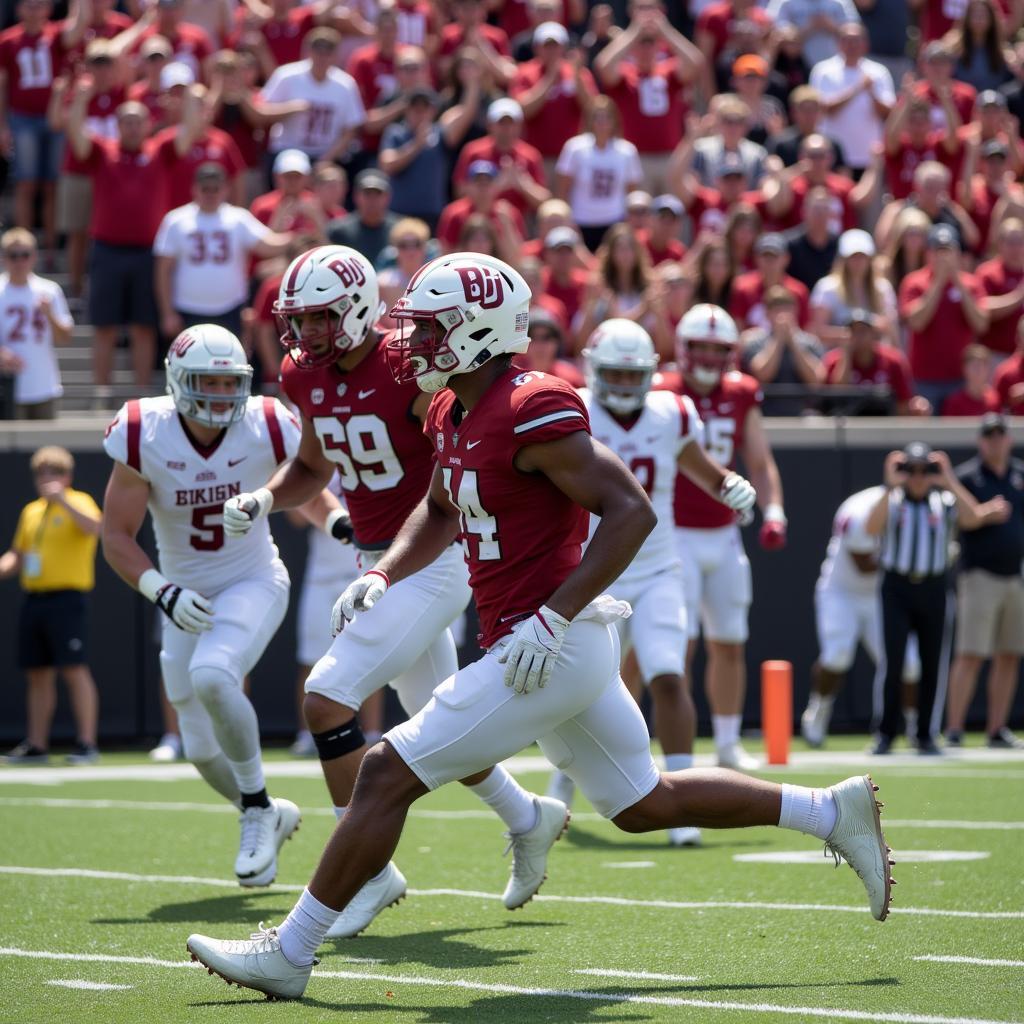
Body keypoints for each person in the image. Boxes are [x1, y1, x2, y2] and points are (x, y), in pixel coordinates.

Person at [186, 252, 894, 1001]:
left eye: (430, 330)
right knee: (644, 804)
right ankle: (829, 810)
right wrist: (381, 573)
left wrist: (553, 619)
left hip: (551, 643)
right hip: (536, 640)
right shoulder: (446, 406)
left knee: (387, 771)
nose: (414, 344)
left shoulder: (533, 406)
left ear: (479, 330)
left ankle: (290, 951)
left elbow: (632, 513)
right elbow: (438, 509)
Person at [223, 244, 558, 937]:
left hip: (431, 560)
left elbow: (454, 465)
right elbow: (314, 465)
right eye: (299, 320)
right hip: (377, 562)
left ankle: (369, 874)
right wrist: (265, 497)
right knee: (435, 723)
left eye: (320, 319)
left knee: (324, 698)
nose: (306, 334)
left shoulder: (410, 366)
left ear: (354, 311)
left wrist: (395, 561)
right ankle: (529, 815)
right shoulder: (301, 375)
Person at [101, 324, 313, 886]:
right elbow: (116, 535)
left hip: (252, 578)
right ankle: (261, 809)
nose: (221, 394)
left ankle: (258, 807)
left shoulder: (267, 422)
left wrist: (338, 521)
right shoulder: (145, 431)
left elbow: (305, 484)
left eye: (229, 382)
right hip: (182, 595)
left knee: (214, 675)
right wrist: (161, 591)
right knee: (198, 747)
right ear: (177, 381)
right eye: (207, 382)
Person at [547, 318, 758, 847]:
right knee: (579, 691)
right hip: (593, 570)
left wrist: (728, 485)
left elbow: (700, 467)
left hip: (659, 565)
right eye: (612, 372)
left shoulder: (671, 411)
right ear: (596, 369)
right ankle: (561, 787)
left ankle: (682, 798)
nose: (621, 383)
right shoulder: (574, 408)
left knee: (668, 674)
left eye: (630, 373)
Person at [658, 304, 788, 770]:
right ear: (683, 349)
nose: (711, 358)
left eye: (719, 349)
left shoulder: (742, 393)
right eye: (702, 348)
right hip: (675, 534)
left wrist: (774, 510)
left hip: (725, 533)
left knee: (730, 640)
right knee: (682, 645)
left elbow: (759, 461)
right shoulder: (663, 392)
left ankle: (728, 742)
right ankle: (678, 747)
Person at [865, 441, 1009, 754]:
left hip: (933, 587)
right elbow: (870, 526)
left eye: (924, 470)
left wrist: (948, 479)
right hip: (897, 587)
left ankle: (925, 733)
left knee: (933, 663)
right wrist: (890, 483)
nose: (917, 477)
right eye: (911, 469)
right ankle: (886, 733)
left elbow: (972, 518)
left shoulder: (944, 501)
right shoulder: (892, 500)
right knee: (894, 661)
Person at [0, 445, 102, 765]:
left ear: (67, 476)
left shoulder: (79, 501)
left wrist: (62, 500)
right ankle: (37, 744)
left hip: (67, 599)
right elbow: (17, 554)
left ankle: (87, 743)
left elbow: (96, 528)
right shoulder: (31, 511)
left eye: (54, 473)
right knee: (37, 673)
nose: (47, 479)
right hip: (35, 598)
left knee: (74, 668)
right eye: (42, 473)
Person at [801, 484, 921, 749]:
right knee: (837, 655)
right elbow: (863, 564)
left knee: (909, 664)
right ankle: (818, 709)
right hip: (841, 593)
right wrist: (911, 559)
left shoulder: (924, 508)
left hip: (881, 597)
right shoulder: (859, 510)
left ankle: (916, 725)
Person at [945, 414, 1024, 749]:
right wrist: (985, 513)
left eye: (1000, 435)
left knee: (1009, 654)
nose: (995, 441)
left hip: (1014, 577)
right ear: (981, 441)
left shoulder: (1020, 474)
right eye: (989, 436)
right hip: (979, 576)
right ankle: (954, 729)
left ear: (1008, 439)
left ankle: (996, 728)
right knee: (971, 654)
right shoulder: (967, 476)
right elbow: (963, 520)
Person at [154, 163, 293, 340]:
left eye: (215, 188)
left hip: (231, 309)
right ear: (194, 189)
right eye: (205, 189)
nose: (210, 194)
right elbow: (162, 271)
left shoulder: (238, 218)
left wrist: (298, 238)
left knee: (228, 365)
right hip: (187, 309)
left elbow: (268, 245)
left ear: (226, 189)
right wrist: (167, 313)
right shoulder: (176, 220)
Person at [899, 224, 989, 413]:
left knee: (958, 439)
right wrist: (938, 283)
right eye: (938, 251)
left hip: (961, 380)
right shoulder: (914, 282)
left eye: (948, 251)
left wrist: (957, 282)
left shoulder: (971, 284)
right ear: (928, 253)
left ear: (958, 253)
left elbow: (980, 324)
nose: (944, 257)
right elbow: (917, 322)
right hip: (924, 379)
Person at [260, 27, 366, 164]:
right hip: (289, 151)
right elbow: (261, 113)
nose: (322, 57)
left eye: (328, 52)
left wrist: (327, 160)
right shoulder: (287, 76)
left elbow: (351, 128)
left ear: (336, 55)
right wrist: (290, 109)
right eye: (318, 51)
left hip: (326, 155)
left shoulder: (345, 84)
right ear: (308, 51)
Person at [0, 226, 72, 419]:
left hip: (44, 386)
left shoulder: (49, 290)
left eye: (24, 254)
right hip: (7, 388)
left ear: (34, 256)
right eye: (13, 255)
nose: (19, 261)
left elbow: (65, 338)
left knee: (46, 447)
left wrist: (50, 315)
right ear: (4, 257)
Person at [554, 96, 643, 252]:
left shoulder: (627, 151)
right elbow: (562, 190)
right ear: (590, 120)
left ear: (614, 120)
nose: (602, 123)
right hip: (580, 222)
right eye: (597, 117)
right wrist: (568, 222)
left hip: (615, 223)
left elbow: (632, 193)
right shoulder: (575, 148)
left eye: (606, 117)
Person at [808, 22, 895, 177]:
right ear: (838, 43)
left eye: (856, 40)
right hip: (832, 158)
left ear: (865, 44)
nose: (852, 45)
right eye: (847, 40)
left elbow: (888, 113)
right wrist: (857, 89)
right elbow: (824, 109)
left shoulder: (879, 72)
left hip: (868, 157)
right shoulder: (823, 71)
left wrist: (872, 93)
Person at [741, 285, 824, 416]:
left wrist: (792, 341)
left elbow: (815, 380)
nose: (783, 316)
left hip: (802, 416)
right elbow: (762, 375)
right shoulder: (754, 341)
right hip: (765, 415)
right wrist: (778, 339)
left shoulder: (810, 342)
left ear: (795, 311)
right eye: (777, 310)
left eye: (787, 309)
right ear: (767, 314)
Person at [326, 168, 398, 268]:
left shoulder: (400, 230)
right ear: (356, 196)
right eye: (367, 194)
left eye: (377, 194)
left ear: (388, 197)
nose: (372, 200)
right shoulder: (338, 230)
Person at [941, 344, 1001, 417]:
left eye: (982, 366)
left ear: (988, 369)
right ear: (964, 369)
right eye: (974, 366)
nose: (978, 371)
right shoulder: (955, 402)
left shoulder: (994, 398)